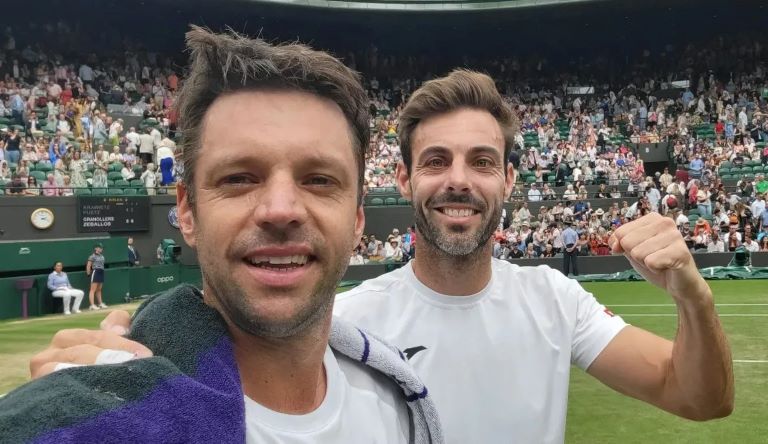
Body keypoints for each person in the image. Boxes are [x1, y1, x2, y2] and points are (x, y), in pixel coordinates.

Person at [25, 60, 733, 444]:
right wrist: (130, 356)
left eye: (482, 160)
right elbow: (195, 382)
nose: (459, 178)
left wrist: (692, 297)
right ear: (402, 180)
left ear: (510, 179)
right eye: (438, 160)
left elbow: (698, 398)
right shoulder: (342, 329)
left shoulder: (555, 298)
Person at [1, 28, 440, 443]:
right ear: (186, 211)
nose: (281, 210)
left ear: (358, 218)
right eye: (239, 178)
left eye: (319, 180)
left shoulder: (397, 402)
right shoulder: (96, 419)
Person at [86, 243, 107, 310]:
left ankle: (100, 303)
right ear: (95, 248)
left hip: (101, 272)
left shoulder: (102, 256)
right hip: (95, 271)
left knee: (99, 289)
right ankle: (92, 305)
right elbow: (89, 265)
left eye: (101, 248)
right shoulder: (92, 256)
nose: (101, 249)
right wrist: (88, 273)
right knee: (93, 290)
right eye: (99, 248)